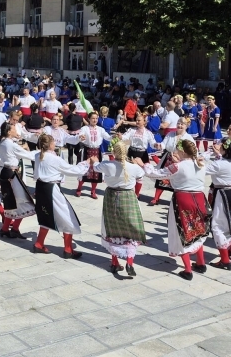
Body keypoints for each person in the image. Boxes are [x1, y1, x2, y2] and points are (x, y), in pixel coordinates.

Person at [139, 139, 209, 280]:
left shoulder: (178, 166)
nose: (175, 152)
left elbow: (155, 174)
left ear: (182, 151)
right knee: (197, 230)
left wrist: (143, 164)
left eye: (177, 149)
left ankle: (188, 270)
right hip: (200, 199)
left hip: (183, 200)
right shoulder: (200, 163)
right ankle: (201, 263)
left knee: (180, 232)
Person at [30, 134, 92, 258]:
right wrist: (86, 163)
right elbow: (72, 170)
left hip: (41, 188)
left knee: (45, 216)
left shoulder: (38, 155)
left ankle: (39, 243)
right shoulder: (54, 159)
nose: (55, 144)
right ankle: (68, 250)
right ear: (50, 145)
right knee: (68, 217)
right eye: (53, 142)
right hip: (52, 190)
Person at [93, 140, 146, 275]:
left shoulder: (107, 165)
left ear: (113, 152)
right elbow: (141, 174)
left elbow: (96, 167)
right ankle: (129, 262)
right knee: (131, 229)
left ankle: (115, 262)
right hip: (128, 197)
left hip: (111, 196)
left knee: (111, 229)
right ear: (126, 152)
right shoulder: (133, 168)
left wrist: (94, 161)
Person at [204, 139, 231, 270]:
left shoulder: (219, 164)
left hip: (224, 195)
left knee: (217, 226)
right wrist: (219, 154)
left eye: (221, 147)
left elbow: (201, 170)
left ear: (225, 151)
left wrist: (196, 159)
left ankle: (225, 260)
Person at [0, 123, 36, 239]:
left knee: (12, 203)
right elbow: (28, 155)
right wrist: (41, 153)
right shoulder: (10, 144)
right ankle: (11, 228)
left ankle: (8, 229)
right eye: (13, 128)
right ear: (9, 132)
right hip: (11, 174)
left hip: (6, 172)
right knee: (23, 201)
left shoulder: (2, 143)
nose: (15, 130)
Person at [75, 111, 113, 199]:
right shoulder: (85, 128)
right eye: (93, 118)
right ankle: (79, 188)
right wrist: (81, 137)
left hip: (97, 151)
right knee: (84, 170)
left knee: (96, 171)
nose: (95, 120)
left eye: (96, 118)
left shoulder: (100, 129)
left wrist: (114, 137)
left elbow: (107, 137)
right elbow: (81, 134)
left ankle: (93, 191)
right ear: (89, 119)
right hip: (87, 150)